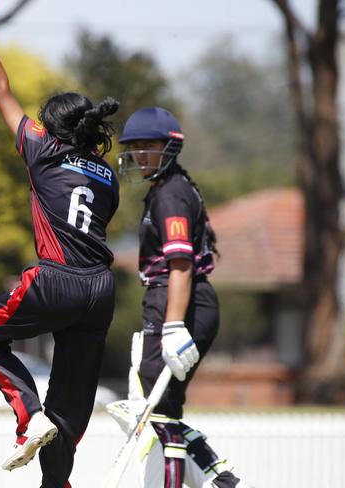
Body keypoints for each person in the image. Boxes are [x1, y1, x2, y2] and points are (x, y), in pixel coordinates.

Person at [0, 2, 120, 487]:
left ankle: (28, 417)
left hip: (55, 279)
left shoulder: (42, 149)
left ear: (51, 129)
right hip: (100, 290)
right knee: (68, 412)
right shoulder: (108, 176)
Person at [113, 107, 249, 488]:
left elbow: (181, 264)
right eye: (134, 147)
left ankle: (207, 478)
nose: (140, 154)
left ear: (170, 148)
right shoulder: (166, 189)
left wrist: (173, 325)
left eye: (148, 145)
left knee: (153, 412)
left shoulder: (171, 194)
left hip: (181, 304)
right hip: (177, 302)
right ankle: (219, 478)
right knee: (158, 409)